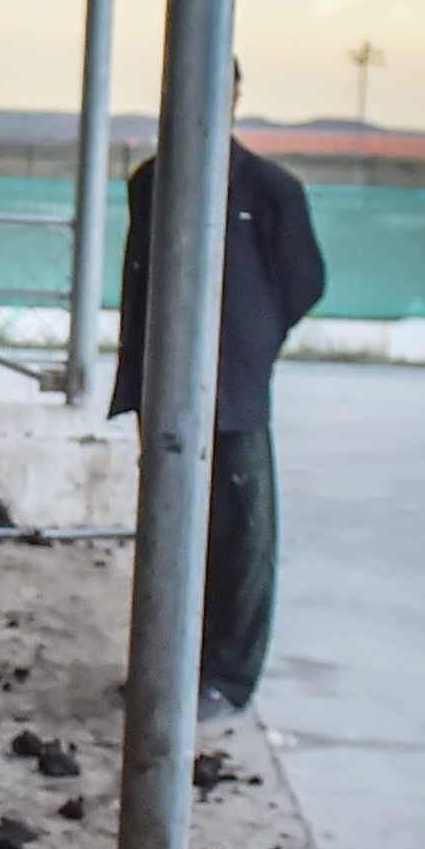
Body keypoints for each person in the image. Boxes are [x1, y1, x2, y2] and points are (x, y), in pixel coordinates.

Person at [109, 66, 328, 720]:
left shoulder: (269, 190)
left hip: (231, 394)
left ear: (233, 97)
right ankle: (169, 666)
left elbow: (301, 282)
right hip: (161, 387)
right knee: (170, 527)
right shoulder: (150, 182)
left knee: (240, 536)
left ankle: (226, 678)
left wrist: (248, 342)